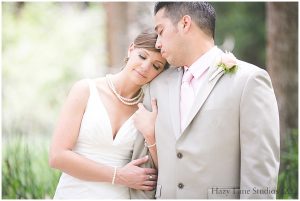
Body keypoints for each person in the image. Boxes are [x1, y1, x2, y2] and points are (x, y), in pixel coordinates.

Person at [133, 2, 280, 199]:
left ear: (185, 23)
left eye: (161, 31)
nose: (158, 43)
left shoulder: (248, 81)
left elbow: (260, 172)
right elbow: (144, 170)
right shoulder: (156, 86)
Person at [49, 29, 167, 199]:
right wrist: (118, 176)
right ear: (131, 49)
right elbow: (57, 156)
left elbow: (163, 170)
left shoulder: (148, 109)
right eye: (142, 56)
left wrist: (150, 134)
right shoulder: (85, 90)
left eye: (156, 66)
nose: (145, 67)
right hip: (73, 193)